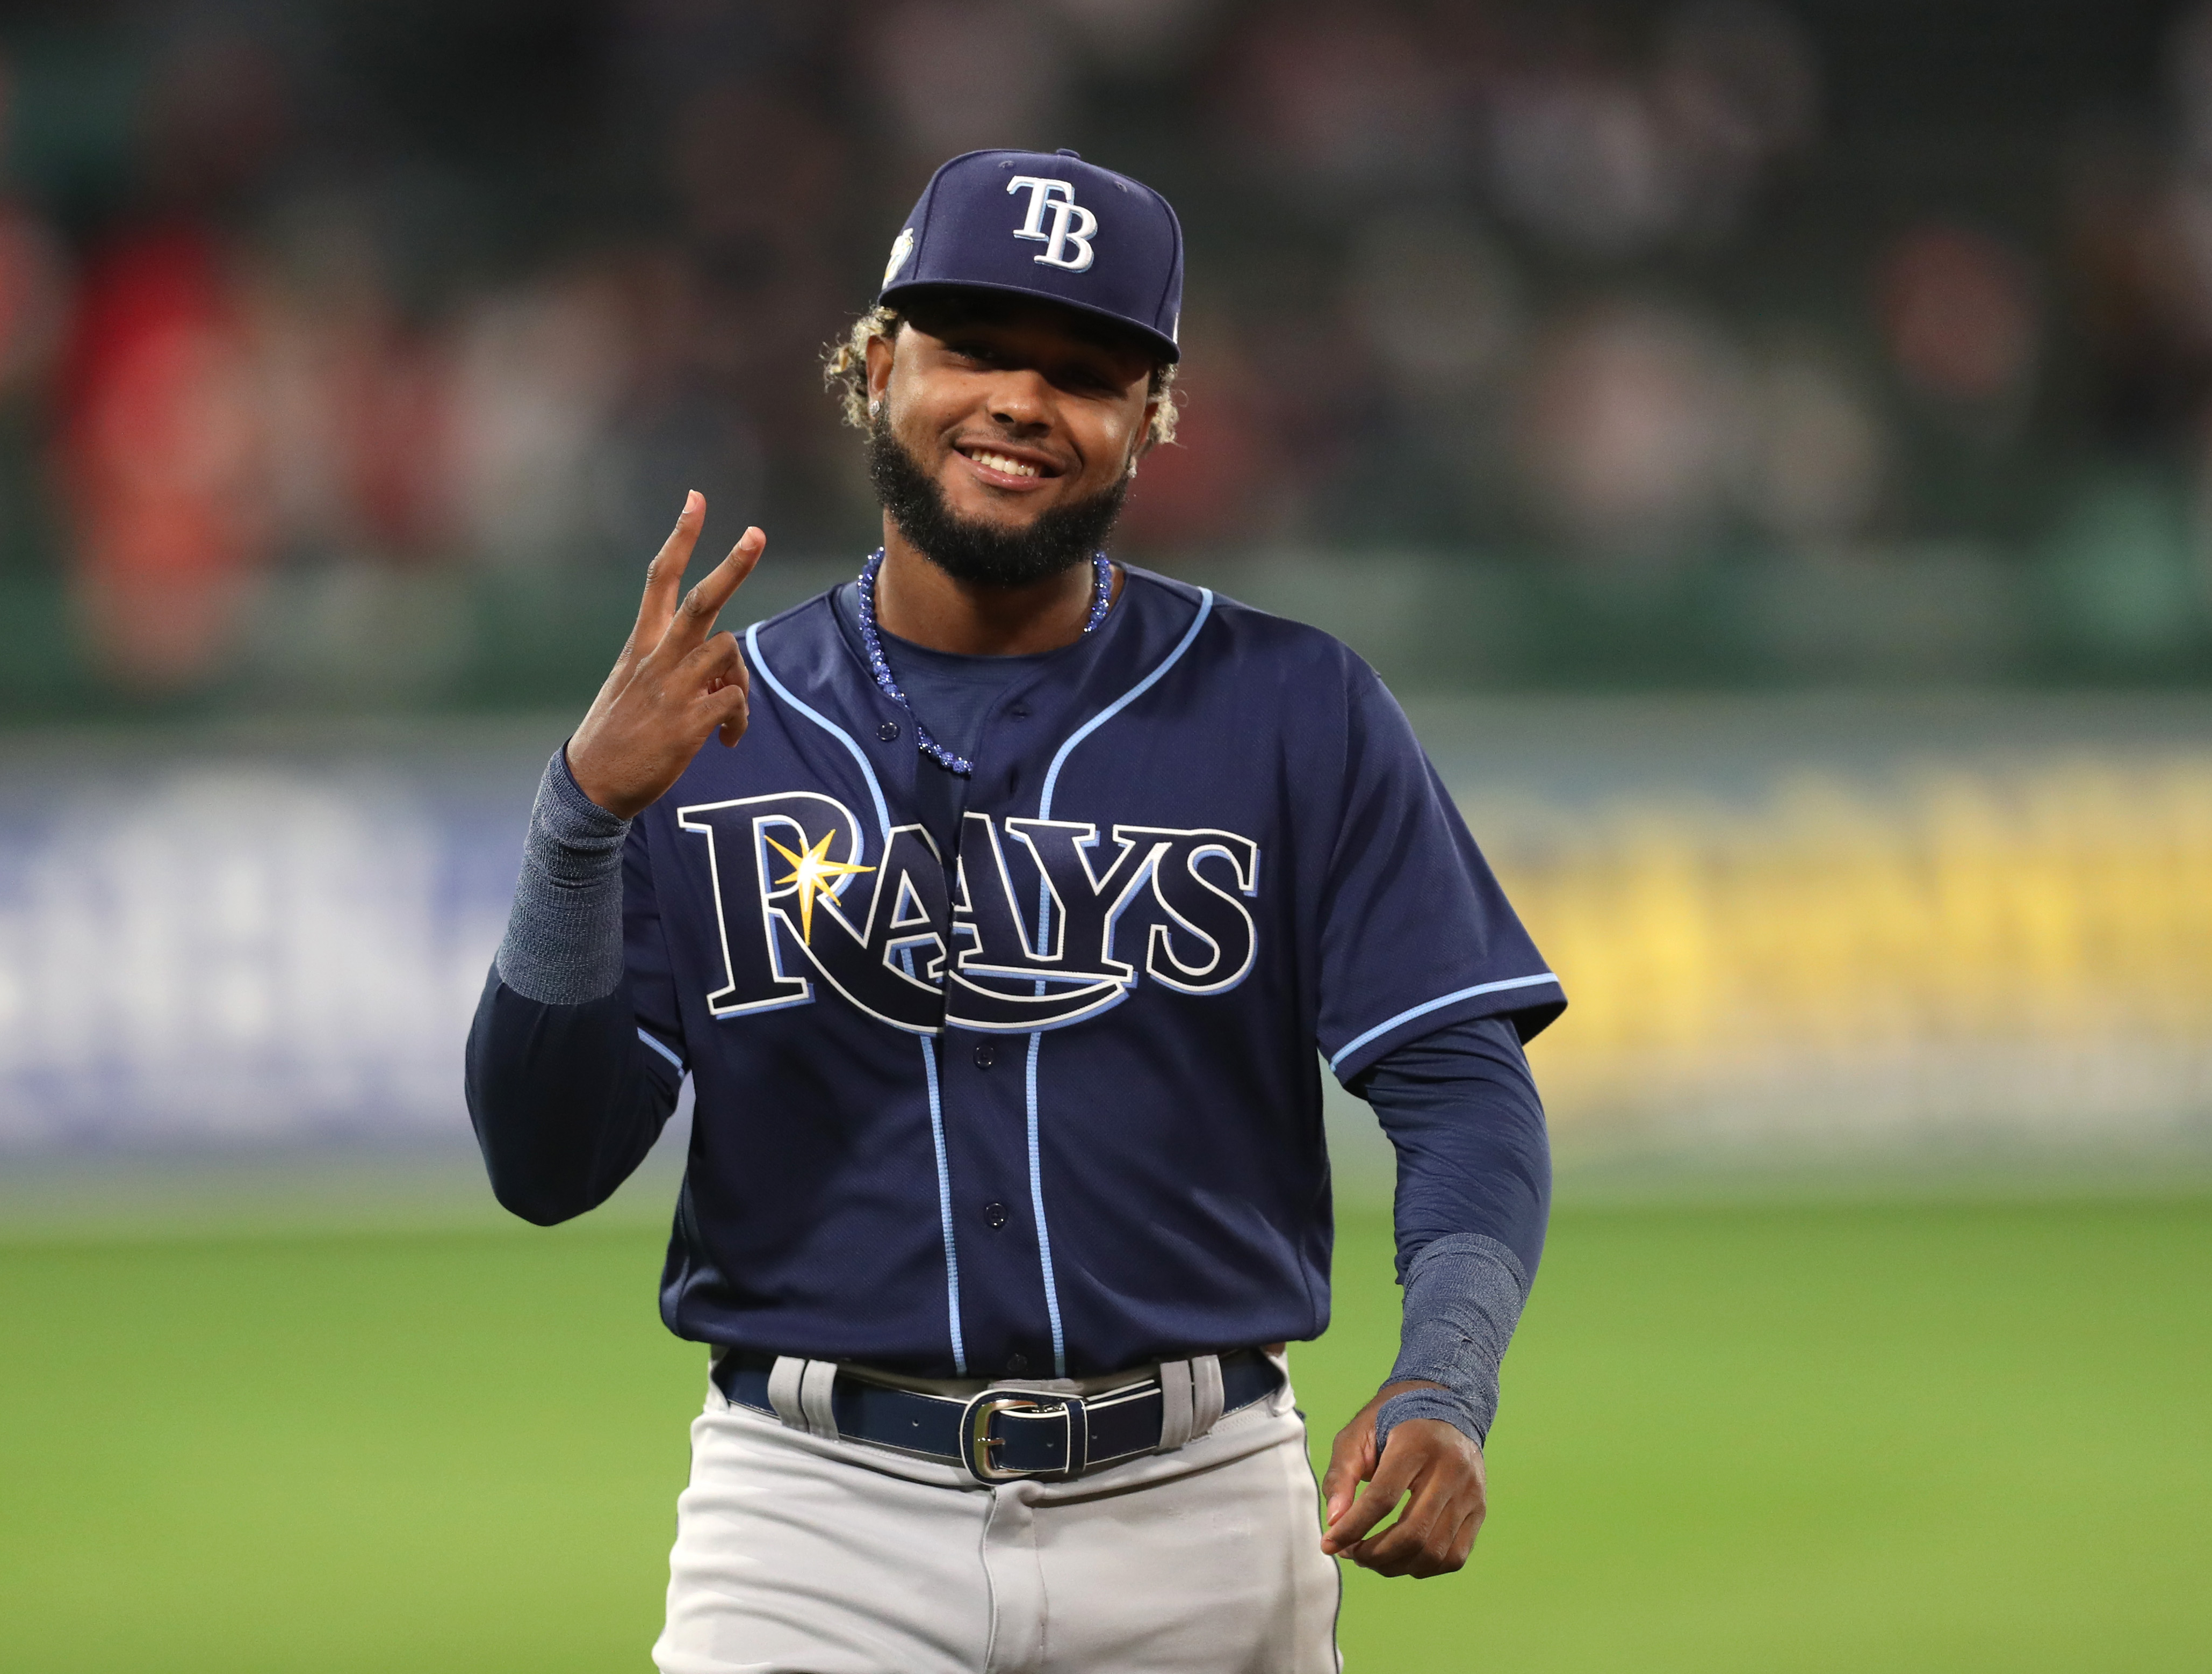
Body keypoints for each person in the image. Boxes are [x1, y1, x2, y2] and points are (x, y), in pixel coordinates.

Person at [466, 148, 1562, 1673]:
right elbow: (544, 1162)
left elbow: (1460, 1087)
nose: (1020, 402)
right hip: (810, 1524)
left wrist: (1446, 1380)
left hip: (1203, 1511)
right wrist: (579, 819)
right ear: (873, 365)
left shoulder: (1293, 709)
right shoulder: (714, 721)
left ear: (1149, 421)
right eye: (973, 346)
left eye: (1085, 370)